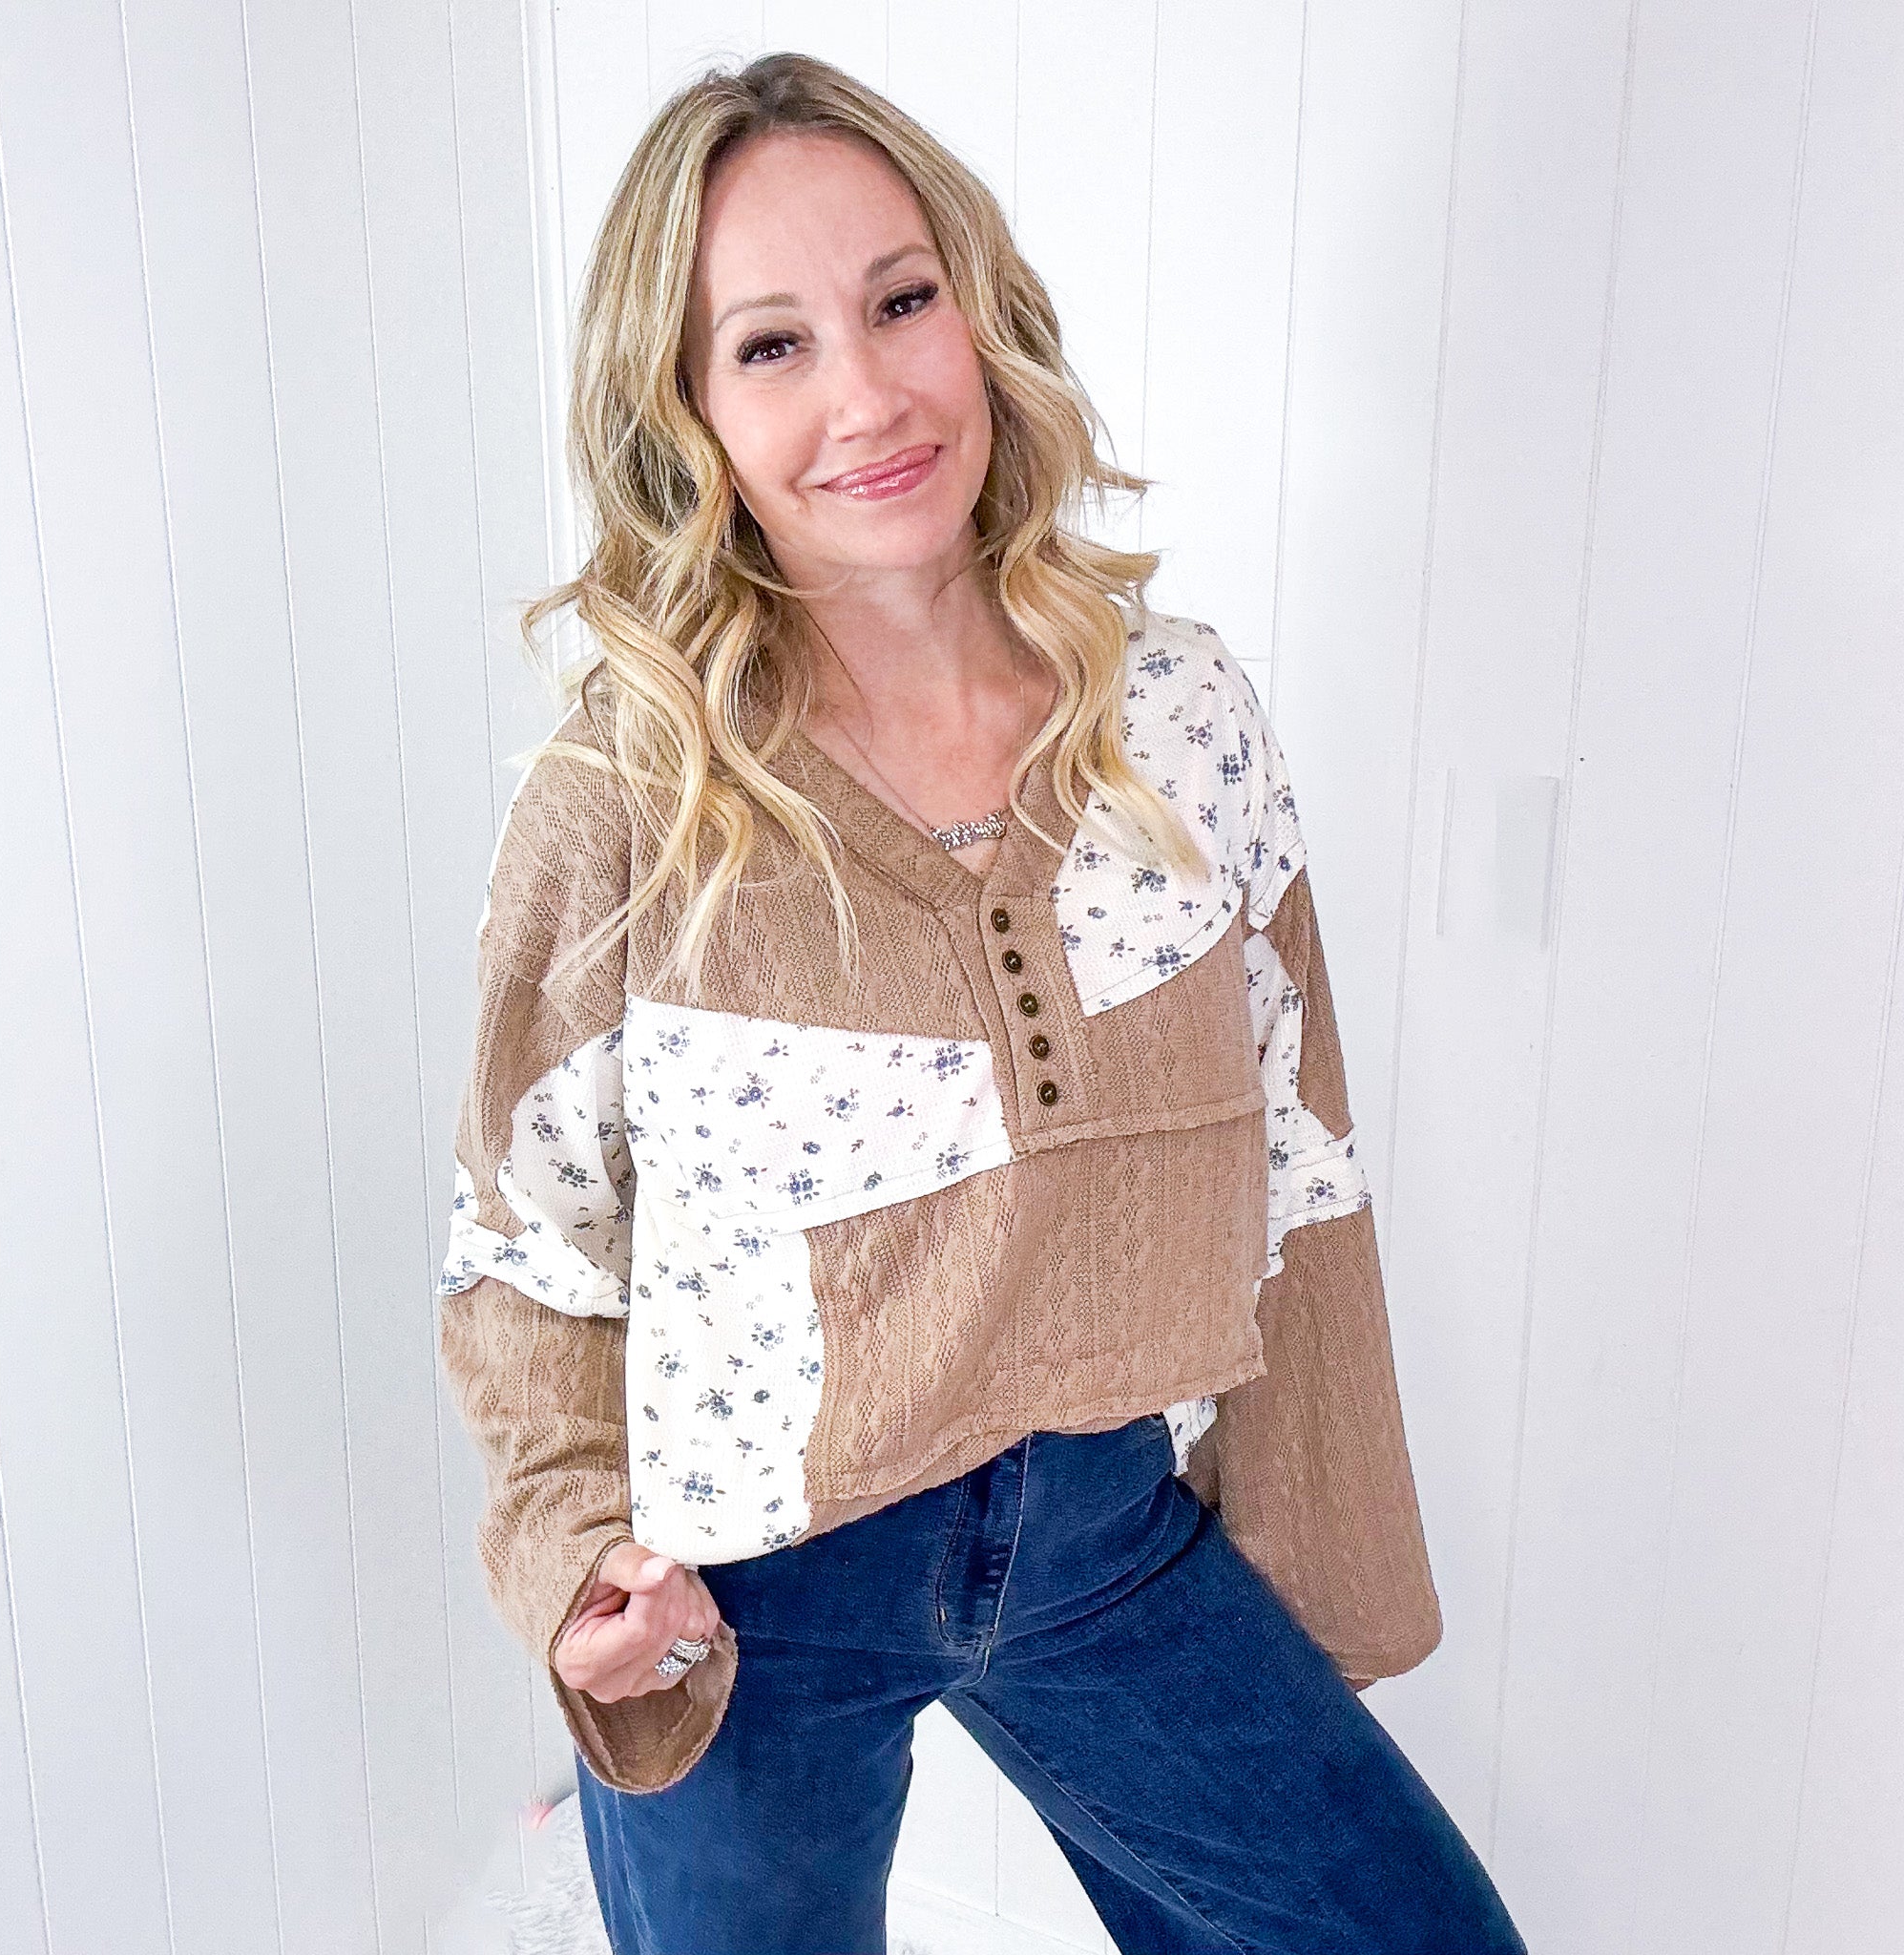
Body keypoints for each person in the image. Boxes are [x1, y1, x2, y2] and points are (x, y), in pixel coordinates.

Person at [437, 49, 1527, 1955]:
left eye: (900, 300)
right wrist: (576, 1561)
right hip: (750, 1585)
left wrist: (1316, 1558)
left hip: (1103, 1532)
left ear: (981, 310)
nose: (867, 396)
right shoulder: (625, 798)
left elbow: (1302, 1160)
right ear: (686, 412)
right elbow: (527, 1242)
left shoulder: (1177, 720)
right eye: (770, 345)